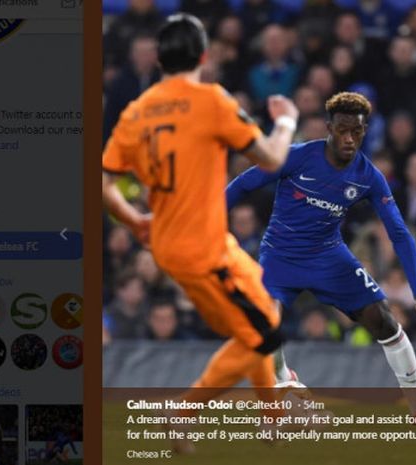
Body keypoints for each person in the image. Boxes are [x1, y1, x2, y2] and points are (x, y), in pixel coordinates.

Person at [102, 13, 299, 453]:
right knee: (263, 333)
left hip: (179, 243)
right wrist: (286, 120)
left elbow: (104, 184)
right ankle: (183, 414)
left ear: (158, 60)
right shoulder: (210, 100)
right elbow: (269, 158)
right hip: (201, 249)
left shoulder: (137, 112)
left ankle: (272, 419)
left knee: (264, 313)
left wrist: (134, 220)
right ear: (204, 55)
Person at [227, 92, 416, 418]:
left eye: (356, 132)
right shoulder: (297, 157)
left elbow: (399, 233)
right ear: (328, 127)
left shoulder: (369, 176)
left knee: (383, 320)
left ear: (364, 131)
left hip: (329, 257)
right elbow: (242, 185)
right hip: (279, 257)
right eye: (342, 130)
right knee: (263, 325)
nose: (349, 138)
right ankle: (286, 381)